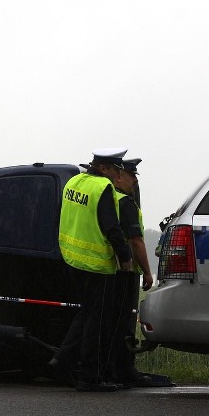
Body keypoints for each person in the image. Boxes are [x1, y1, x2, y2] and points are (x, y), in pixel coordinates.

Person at [54, 148, 133, 392]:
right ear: (104, 168)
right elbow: (111, 226)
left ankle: (62, 359)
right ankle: (89, 377)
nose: (117, 176)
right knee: (97, 323)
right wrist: (125, 257)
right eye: (116, 170)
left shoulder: (73, 182)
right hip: (97, 264)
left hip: (72, 260)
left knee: (87, 314)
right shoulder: (102, 188)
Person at [106, 158, 158, 387]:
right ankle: (123, 370)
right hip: (124, 272)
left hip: (109, 271)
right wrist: (148, 272)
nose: (135, 181)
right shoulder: (125, 203)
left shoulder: (109, 199)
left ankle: (112, 369)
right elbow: (136, 241)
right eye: (131, 175)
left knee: (109, 323)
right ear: (119, 176)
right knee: (124, 325)